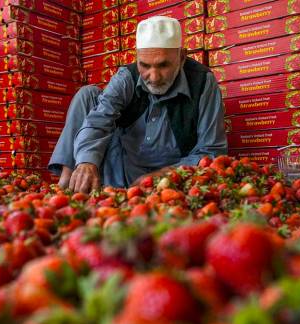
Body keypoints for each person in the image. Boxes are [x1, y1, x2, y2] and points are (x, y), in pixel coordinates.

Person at [48, 15, 227, 193]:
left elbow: (211, 150)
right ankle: (69, 182)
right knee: (87, 94)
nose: (154, 77)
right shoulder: (127, 76)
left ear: (181, 57)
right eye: (145, 65)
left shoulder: (202, 82)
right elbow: (98, 120)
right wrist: (86, 161)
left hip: (170, 180)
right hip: (120, 168)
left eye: (163, 65)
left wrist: (161, 175)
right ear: (137, 58)